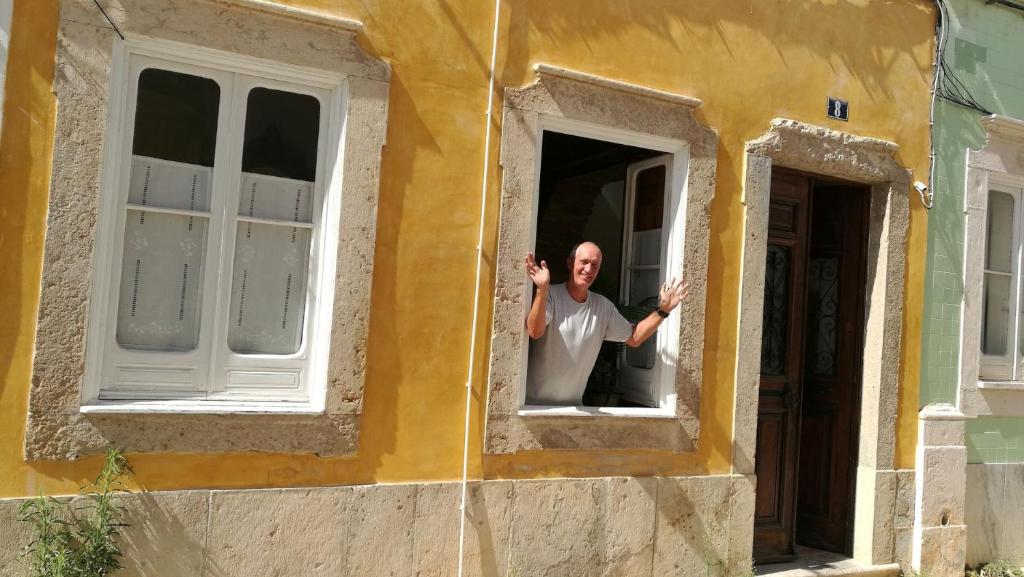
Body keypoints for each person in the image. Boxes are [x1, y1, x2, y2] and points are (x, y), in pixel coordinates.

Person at [524, 241, 687, 405]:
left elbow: (634, 337)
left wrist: (663, 310)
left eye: (595, 265)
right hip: (532, 406)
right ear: (570, 263)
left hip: (573, 410)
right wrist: (542, 289)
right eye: (584, 262)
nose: (589, 269)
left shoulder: (602, 306)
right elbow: (534, 331)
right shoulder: (550, 295)